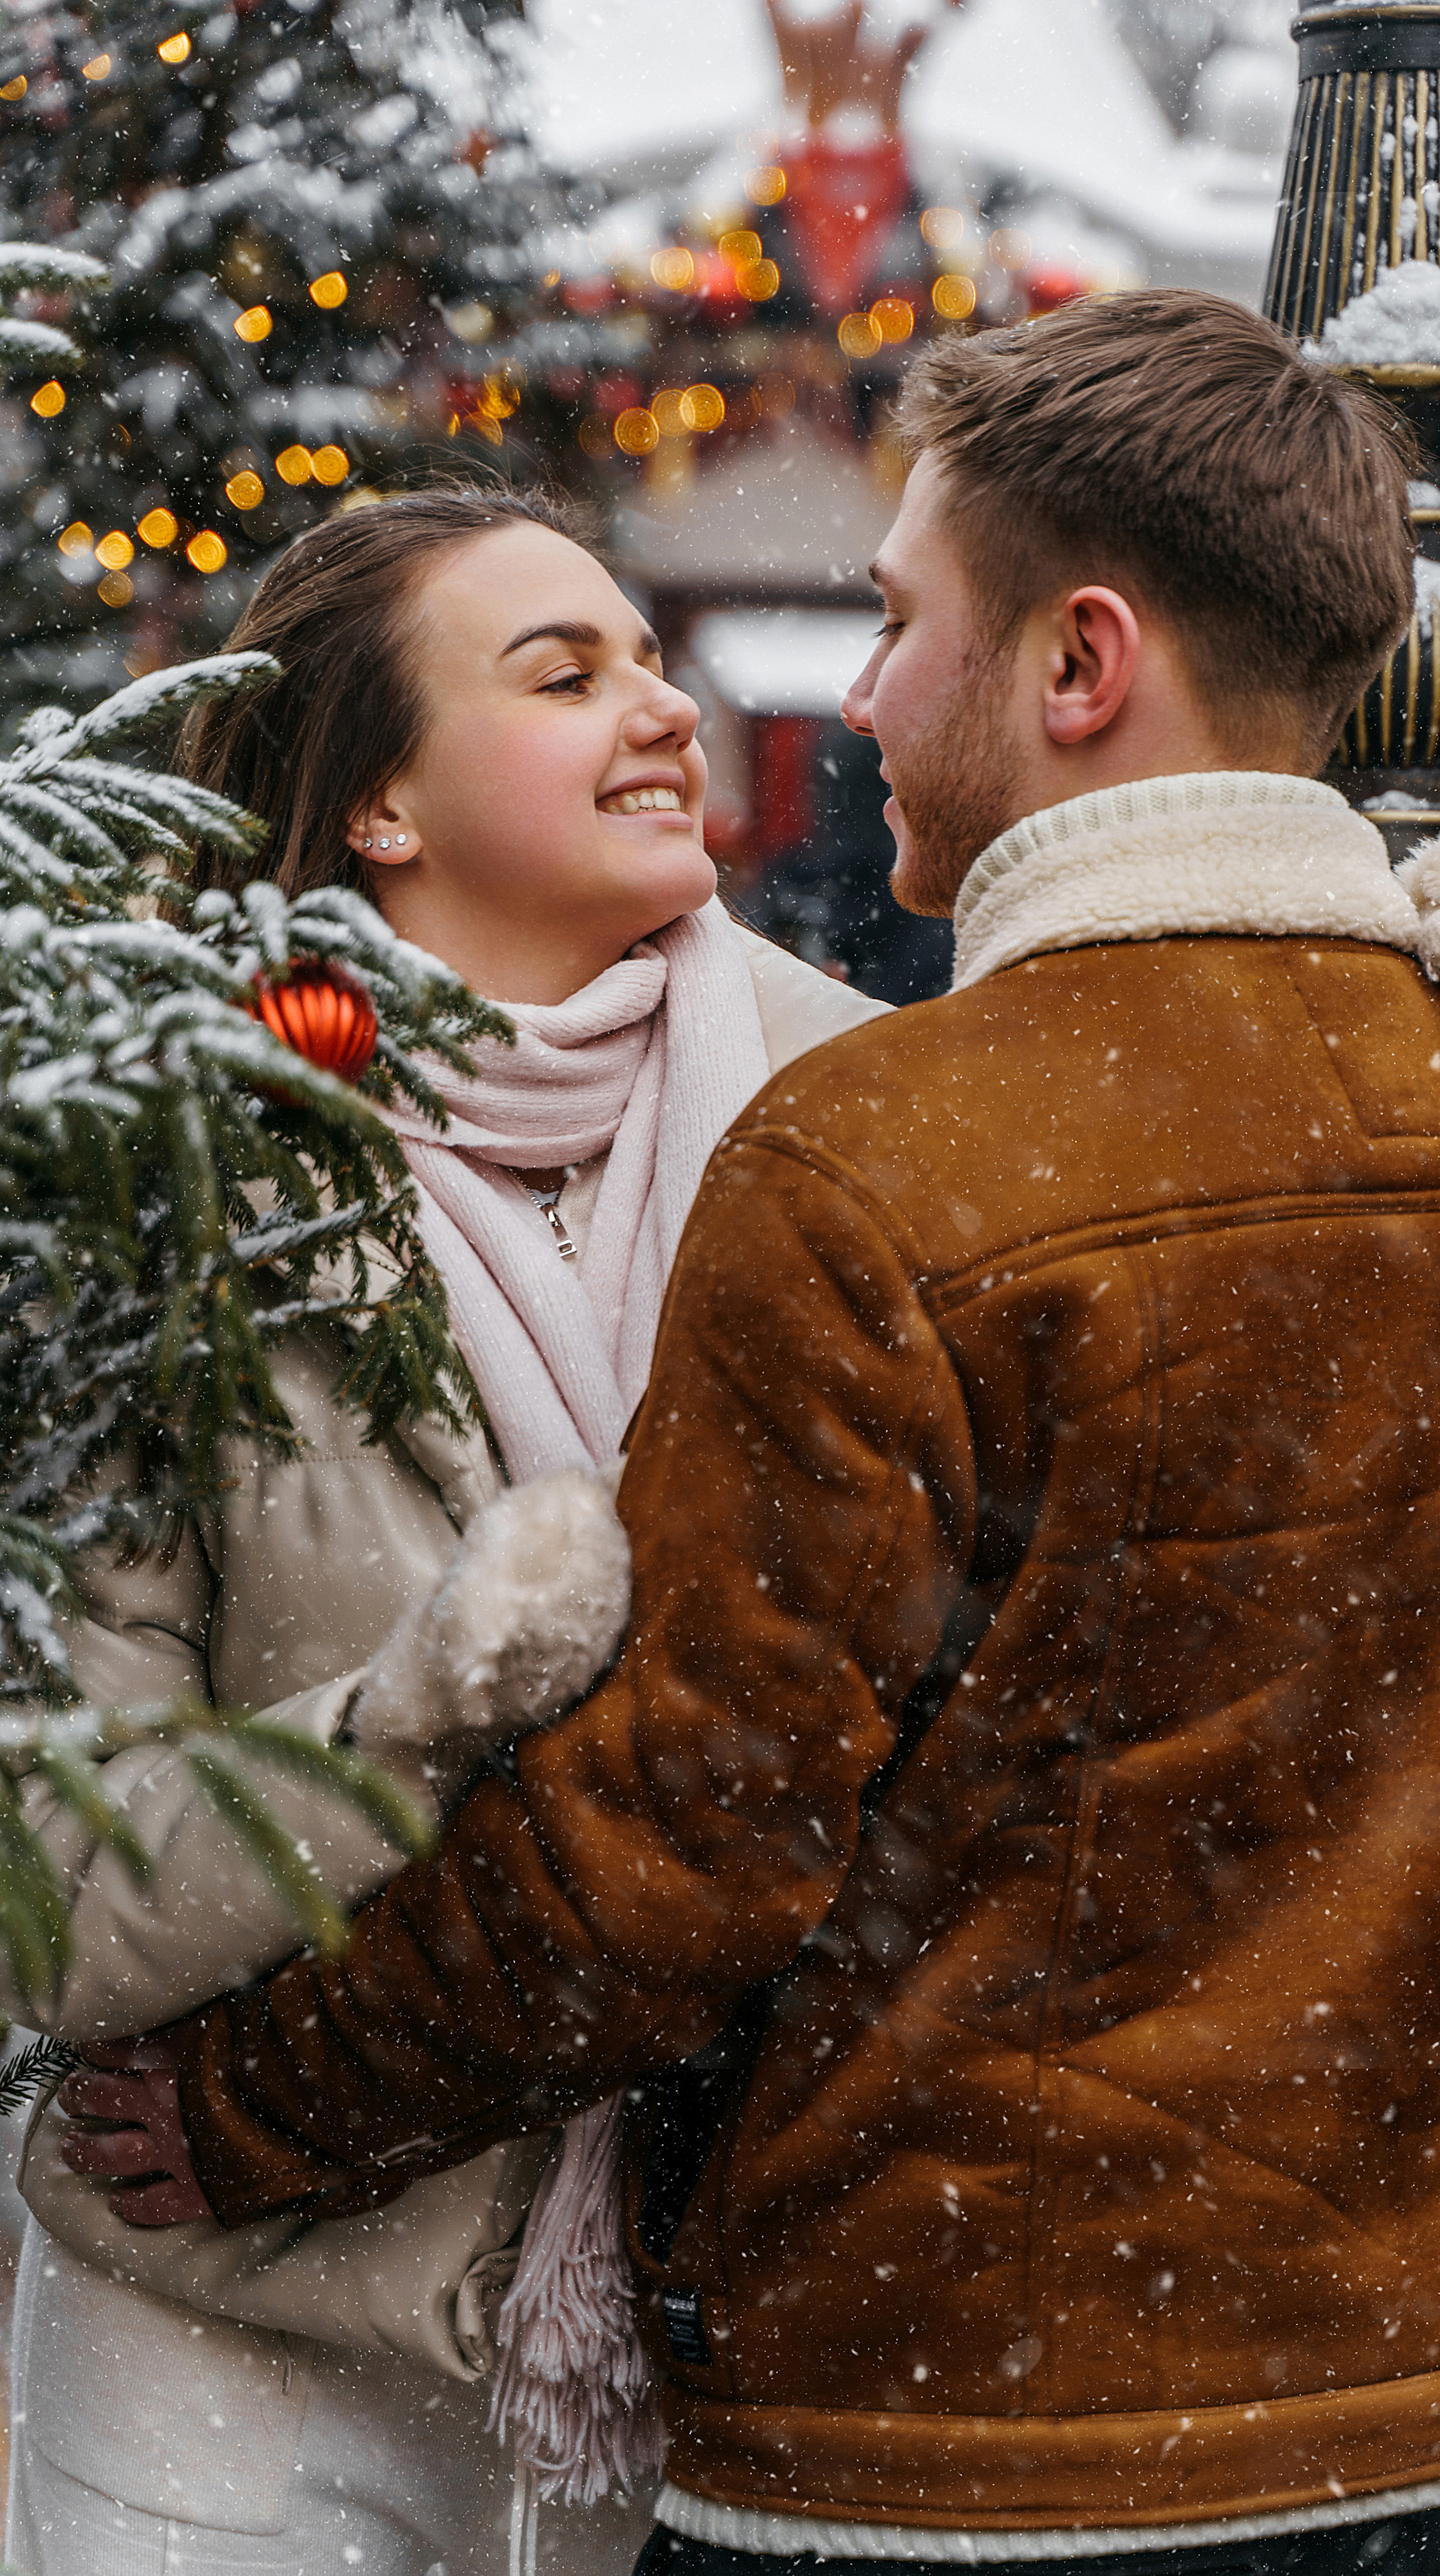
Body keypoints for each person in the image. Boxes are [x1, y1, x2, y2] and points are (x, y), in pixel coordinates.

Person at [68, 295, 1440, 2576]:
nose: (845, 704)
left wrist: (252, 2108)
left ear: (1073, 667)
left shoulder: (882, 1153)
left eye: (893, 622)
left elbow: (683, 1846)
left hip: (968, 2427)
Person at [8, 485, 881, 2576]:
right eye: (563, 674)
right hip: (236, 2337)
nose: (660, 708)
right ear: (379, 803)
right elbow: (47, 1868)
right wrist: (399, 1724)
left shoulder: (860, 1119)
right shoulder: (186, 1178)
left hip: (702, 2334)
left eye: (646, 658)